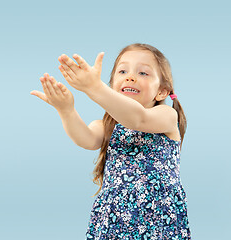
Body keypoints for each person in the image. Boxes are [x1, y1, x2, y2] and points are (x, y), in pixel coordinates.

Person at [30, 43, 191, 239]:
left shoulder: (166, 116)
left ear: (162, 92)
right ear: (113, 87)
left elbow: (138, 118)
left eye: (143, 73)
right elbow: (86, 139)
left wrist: (94, 88)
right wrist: (66, 110)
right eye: (122, 71)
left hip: (158, 217)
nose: (130, 76)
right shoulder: (107, 126)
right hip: (114, 220)